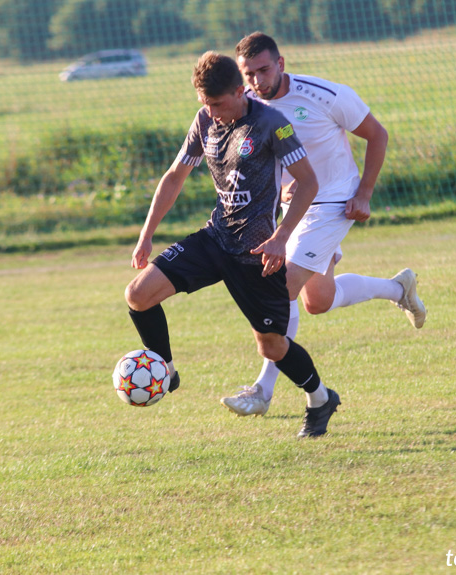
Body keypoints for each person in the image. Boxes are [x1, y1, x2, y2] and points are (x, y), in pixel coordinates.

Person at [124, 51, 339, 438]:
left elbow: (308, 183)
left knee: (273, 347)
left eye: (218, 104)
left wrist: (280, 238)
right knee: (139, 295)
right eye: (205, 103)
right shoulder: (206, 118)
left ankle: (321, 398)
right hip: (215, 238)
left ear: (241, 92)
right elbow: (175, 176)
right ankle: (167, 371)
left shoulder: (272, 123)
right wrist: (146, 234)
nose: (212, 112)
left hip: (257, 256)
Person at [220, 32, 426, 418]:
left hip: (334, 199)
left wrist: (363, 193)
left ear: (281, 64)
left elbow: (377, 135)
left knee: (281, 285)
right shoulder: (246, 107)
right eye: (248, 75)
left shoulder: (325, 95)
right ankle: (399, 288)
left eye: (263, 70)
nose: (257, 82)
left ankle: (262, 391)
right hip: (294, 209)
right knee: (318, 301)